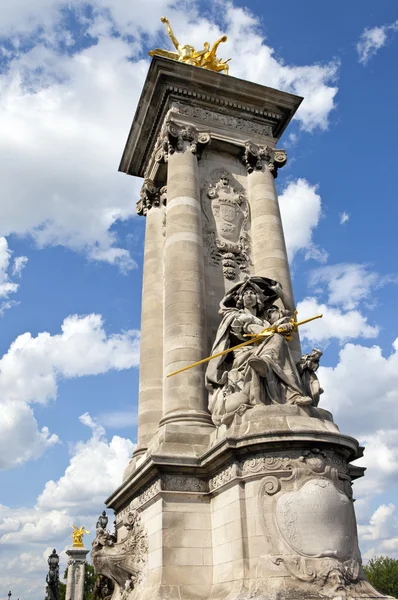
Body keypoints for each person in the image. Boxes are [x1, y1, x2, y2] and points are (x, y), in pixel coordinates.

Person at [205, 277, 312, 426]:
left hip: (268, 351)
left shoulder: (267, 315)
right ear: (240, 299)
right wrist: (268, 331)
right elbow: (247, 328)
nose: (249, 295)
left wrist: (281, 296)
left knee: (278, 341)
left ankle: (292, 393)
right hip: (245, 353)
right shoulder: (236, 316)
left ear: (259, 298)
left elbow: (288, 315)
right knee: (276, 339)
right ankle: (289, 389)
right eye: (246, 293)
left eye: (252, 293)